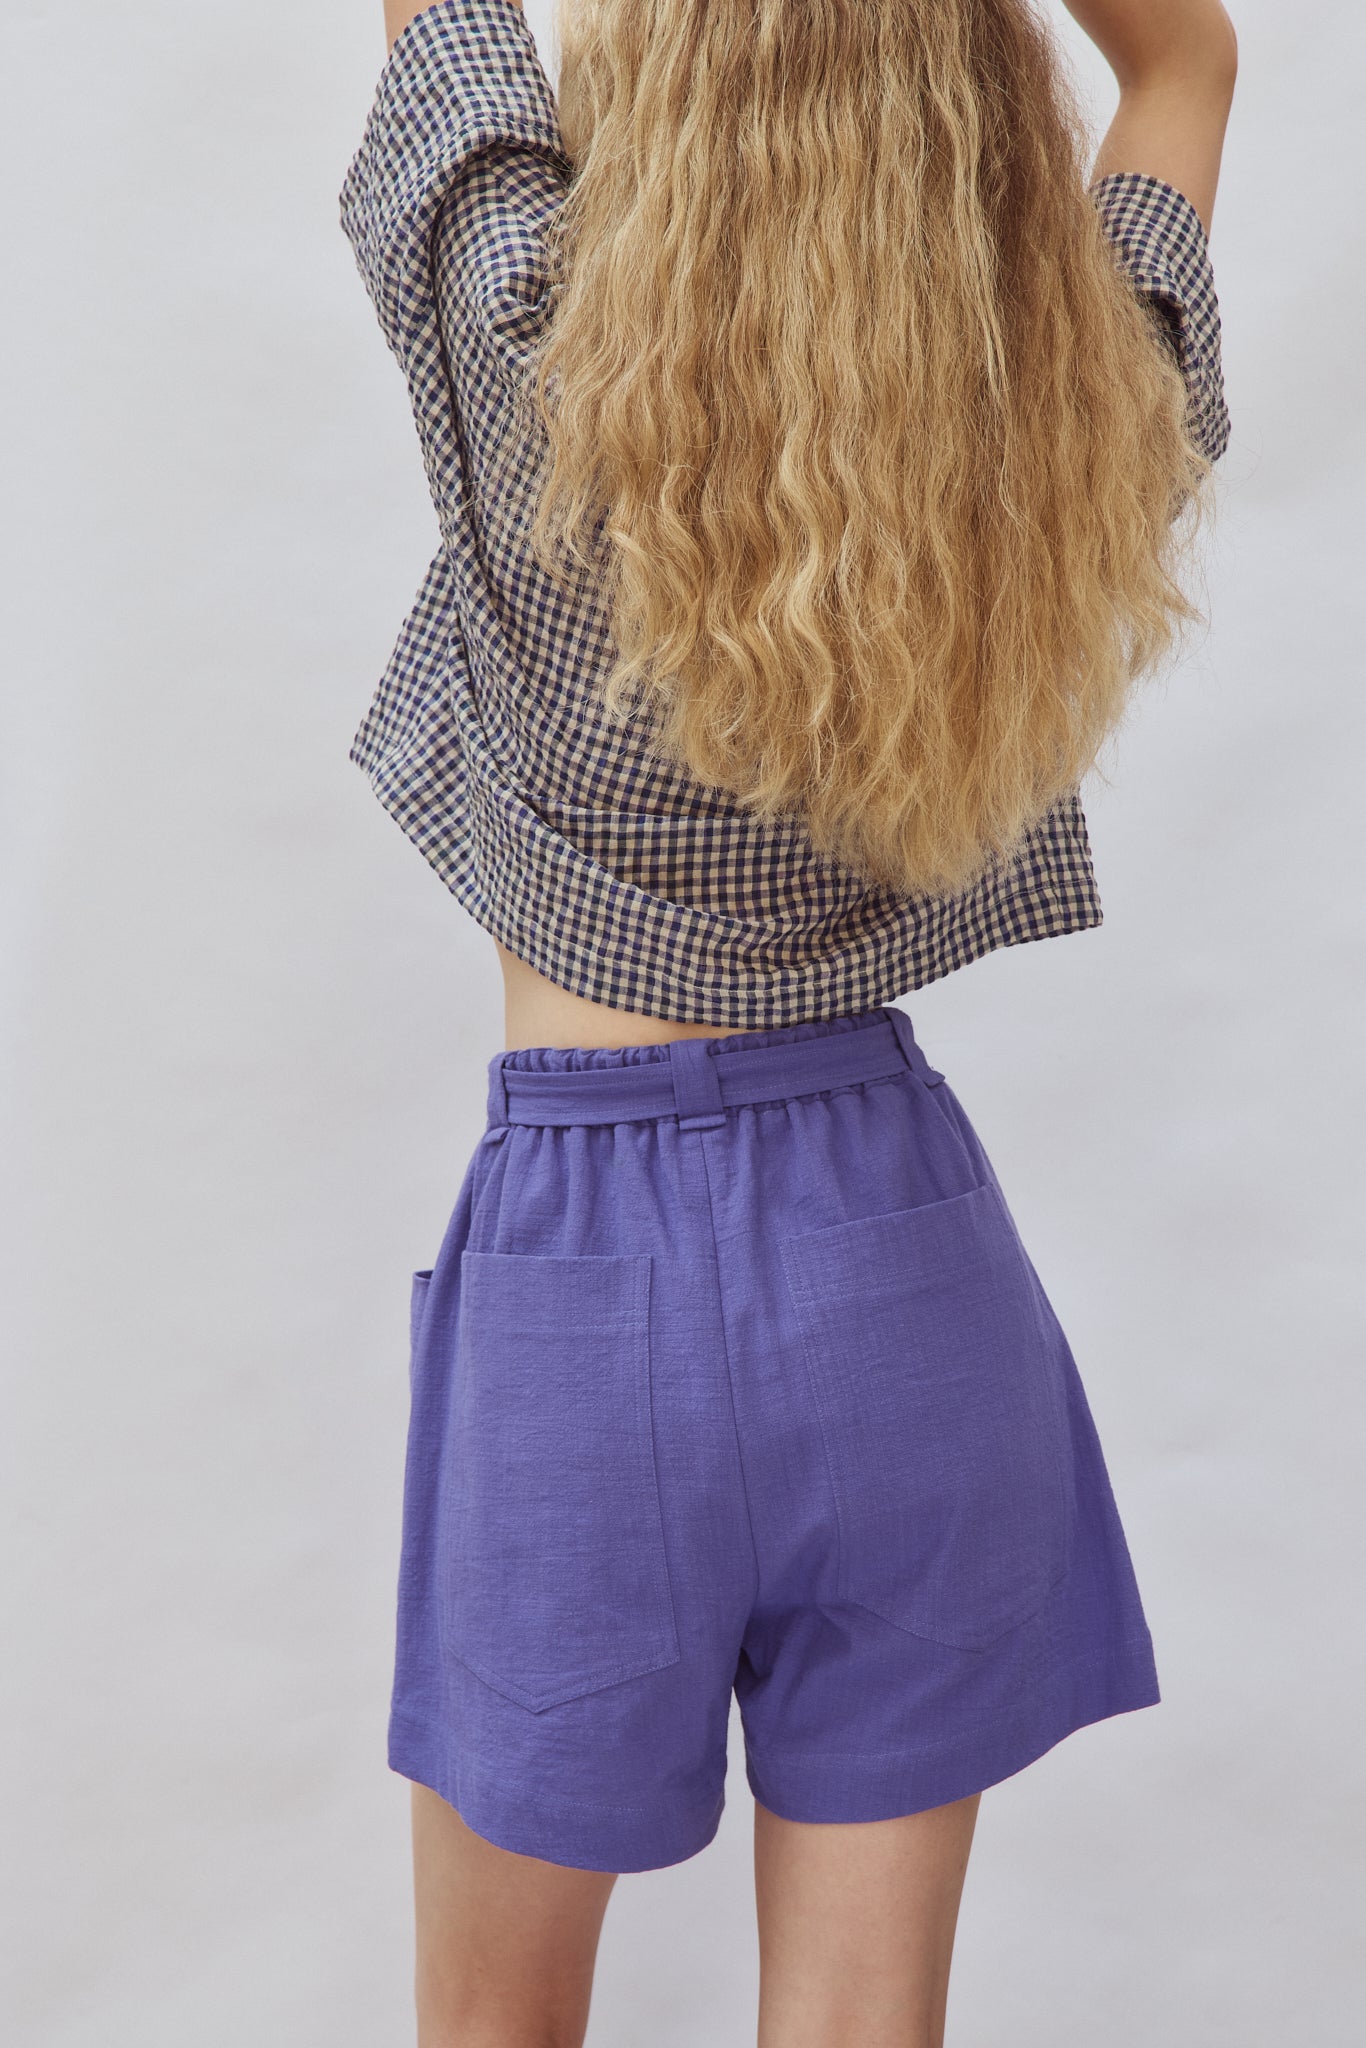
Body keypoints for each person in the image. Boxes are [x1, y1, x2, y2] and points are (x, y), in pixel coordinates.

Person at [339, 0, 1236, 2038]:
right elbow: (1183, 66)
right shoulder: (1057, 420)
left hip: (583, 1269)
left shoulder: (527, 348)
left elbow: (440, 39)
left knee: (491, 2027)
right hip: (899, 1254)